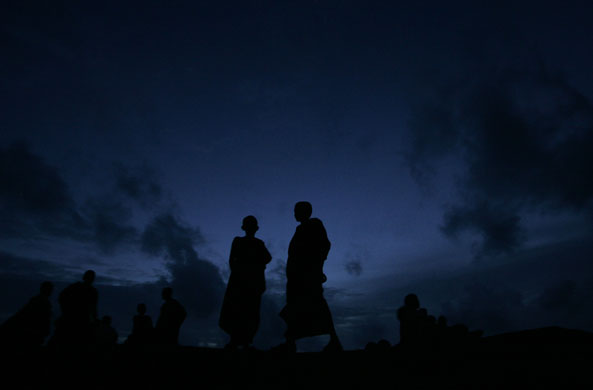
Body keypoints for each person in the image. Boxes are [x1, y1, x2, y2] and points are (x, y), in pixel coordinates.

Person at [276, 201, 342, 352]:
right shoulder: (300, 228)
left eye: (296, 211)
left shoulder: (315, 225)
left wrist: (317, 266)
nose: (294, 214)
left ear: (304, 212)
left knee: (316, 305)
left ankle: (333, 340)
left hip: (307, 276)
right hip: (297, 277)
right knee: (297, 307)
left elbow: (324, 245)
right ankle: (290, 342)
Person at [219, 215, 272, 350]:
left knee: (249, 312)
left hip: (250, 283)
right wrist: (238, 274)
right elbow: (232, 260)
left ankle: (245, 341)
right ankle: (236, 340)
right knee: (239, 310)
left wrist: (252, 266)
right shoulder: (240, 241)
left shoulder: (258, 243)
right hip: (241, 282)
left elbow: (267, 258)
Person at [0, 281, 54, 348]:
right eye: (50, 289)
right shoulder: (40, 302)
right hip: (32, 332)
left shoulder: (39, 301)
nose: (51, 291)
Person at [53, 270, 98, 345]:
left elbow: (93, 308)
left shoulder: (91, 291)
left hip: (80, 319)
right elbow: (62, 298)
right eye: (90, 277)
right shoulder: (88, 290)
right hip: (75, 319)